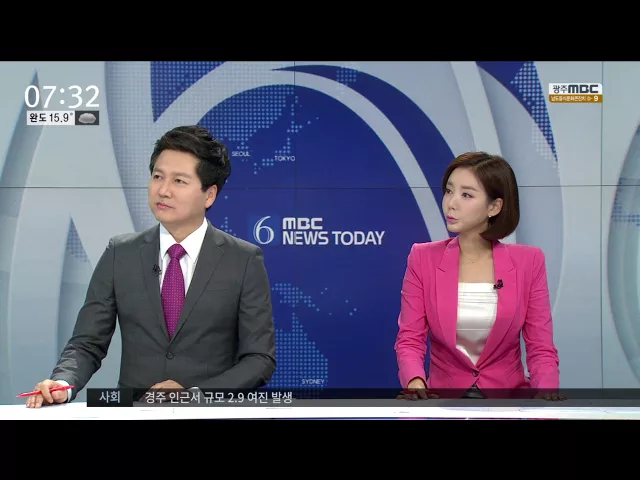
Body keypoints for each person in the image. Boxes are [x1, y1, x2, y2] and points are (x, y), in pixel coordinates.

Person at [27, 125, 276, 408]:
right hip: (134, 413)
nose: (163, 190)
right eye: (158, 176)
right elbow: (87, 343)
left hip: (208, 413)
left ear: (209, 195)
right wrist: (62, 383)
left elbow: (259, 359)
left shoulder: (243, 260)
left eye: (179, 181)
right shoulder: (120, 253)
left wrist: (194, 395)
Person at [394, 152, 561, 400]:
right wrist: (415, 383)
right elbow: (410, 339)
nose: (451, 203)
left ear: (494, 207)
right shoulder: (423, 258)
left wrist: (547, 393)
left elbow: (540, 347)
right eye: (449, 191)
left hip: (508, 402)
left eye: (466, 195)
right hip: (443, 402)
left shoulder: (529, 262)